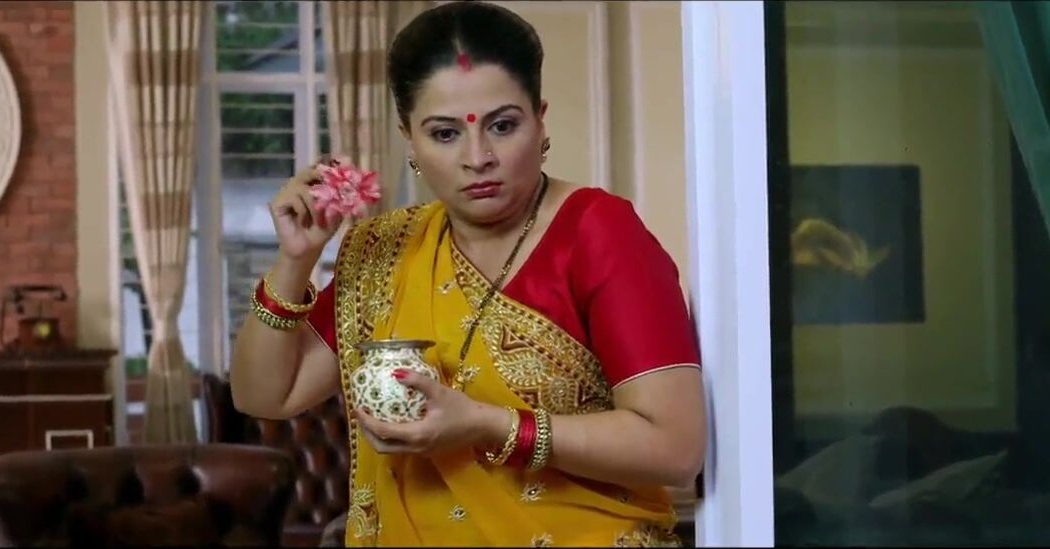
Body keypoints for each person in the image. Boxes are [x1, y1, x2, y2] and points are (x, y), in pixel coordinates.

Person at [229, 2, 705, 546]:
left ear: (540, 120)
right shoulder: (387, 251)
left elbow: (675, 448)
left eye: (503, 126)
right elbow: (265, 395)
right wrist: (296, 260)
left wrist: (487, 425)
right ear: (409, 137)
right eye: (445, 133)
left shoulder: (598, 233)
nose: (478, 157)